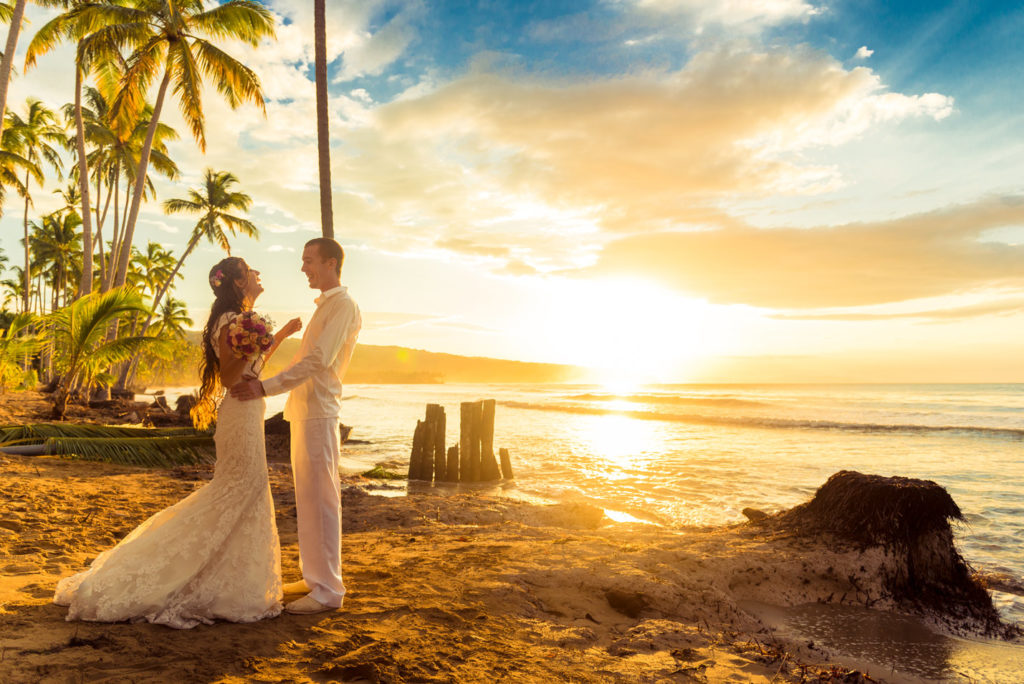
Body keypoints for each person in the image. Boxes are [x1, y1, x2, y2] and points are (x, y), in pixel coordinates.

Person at [53, 257, 301, 629]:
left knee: (242, 492)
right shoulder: (234, 322)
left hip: (246, 412)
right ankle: (206, 582)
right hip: (241, 410)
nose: (258, 274)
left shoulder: (238, 321)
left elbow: (251, 367)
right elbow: (232, 377)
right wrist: (254, 344)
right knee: (239, 489)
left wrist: (276, 338)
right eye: (251, 270)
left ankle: (232, 582)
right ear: (237, 281)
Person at [230, 237, 361, 616]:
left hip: (320, 411)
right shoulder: (327, 306)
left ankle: (328, 590)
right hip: (304, 411)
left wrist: (264, 387)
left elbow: (318, 361)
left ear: (332, 262)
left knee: (322, 500)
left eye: (309, 261)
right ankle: (314, 578)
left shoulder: (343, 306)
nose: (303, 268)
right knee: (308, 499)